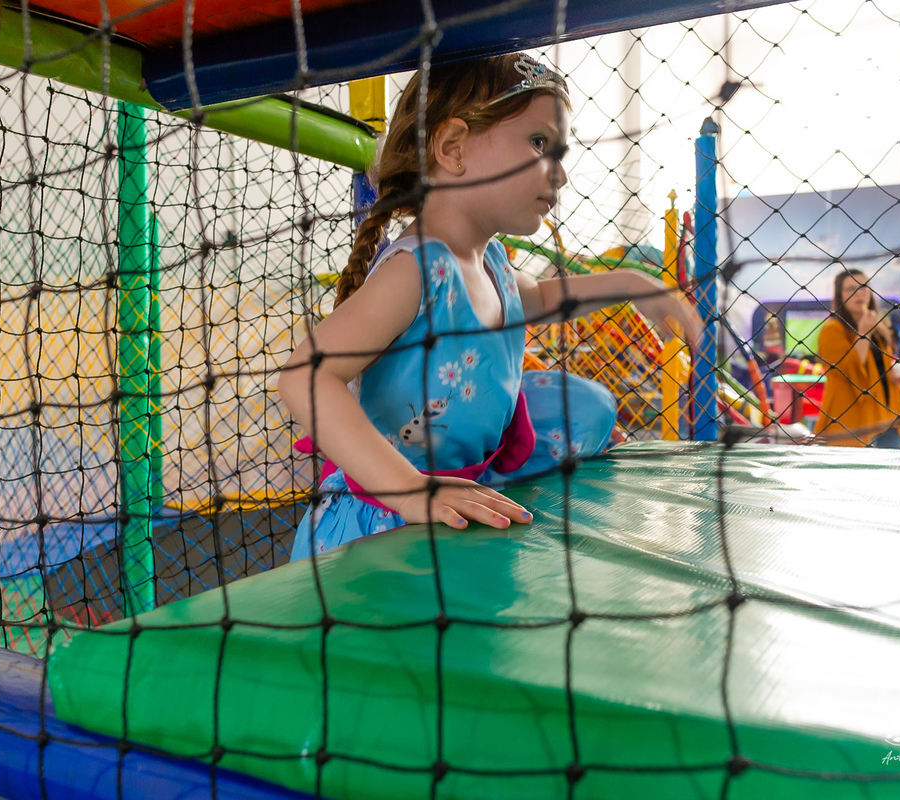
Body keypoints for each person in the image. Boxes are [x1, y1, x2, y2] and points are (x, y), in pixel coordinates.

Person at [276, 54, 702, 560]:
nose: (560, 175)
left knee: (584, 403)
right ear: (453, 148)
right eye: (540, 143)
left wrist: (633, 283)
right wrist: (409, 490)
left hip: (467, 480)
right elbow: (304, 375)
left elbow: (543, 297)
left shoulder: (493, 263)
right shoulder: (416, 270)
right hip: (381, 518)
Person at [814, 268, 900, 448]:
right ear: (840, 295)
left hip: (888, 419)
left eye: (864, 287)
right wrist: (863, 333)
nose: (859, 293)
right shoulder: (832, 329)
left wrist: (894, 375)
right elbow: (849, 370)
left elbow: (876, 369)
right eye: (851, 289)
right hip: (851, 424)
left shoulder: (878, 327)